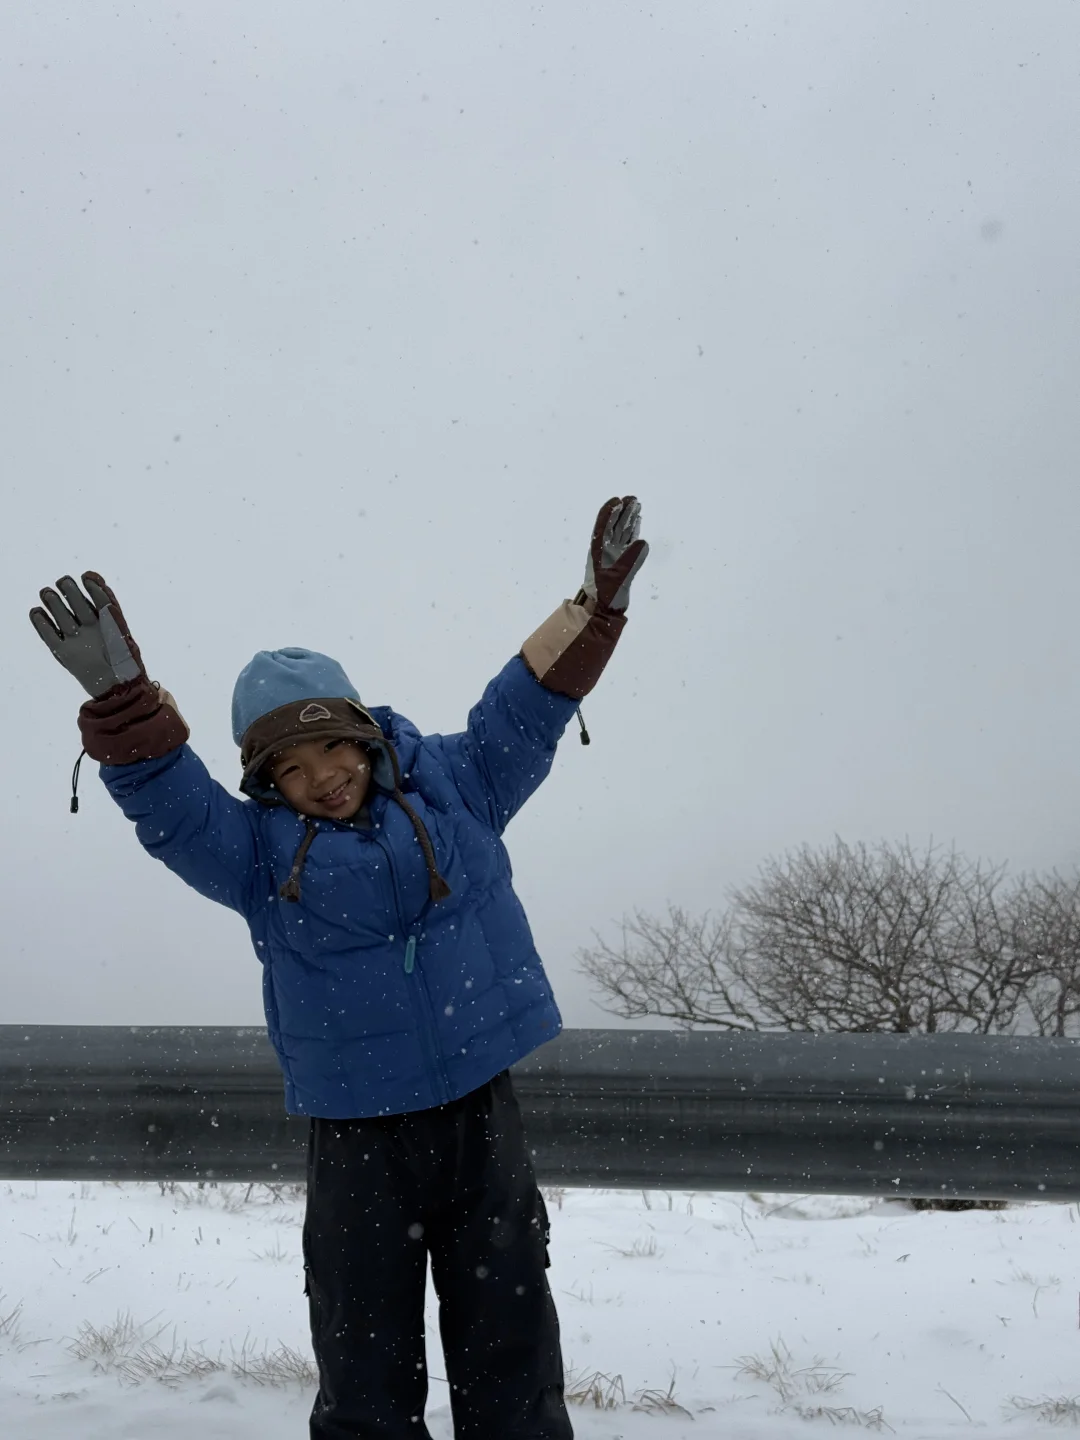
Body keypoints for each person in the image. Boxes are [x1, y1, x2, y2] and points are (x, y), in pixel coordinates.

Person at [29, 496, 648, 1440]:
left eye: (331, 745)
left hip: (481, 1111)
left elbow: (527, 705)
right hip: (358, 1134)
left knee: (511, 1345)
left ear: (362, 732)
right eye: (290, 766)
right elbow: (170, 801)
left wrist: (589, 612)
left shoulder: (459, 781)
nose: (322, 775)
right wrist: (128, 708)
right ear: (264, 781)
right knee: (364, 1360)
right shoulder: (252, 855)